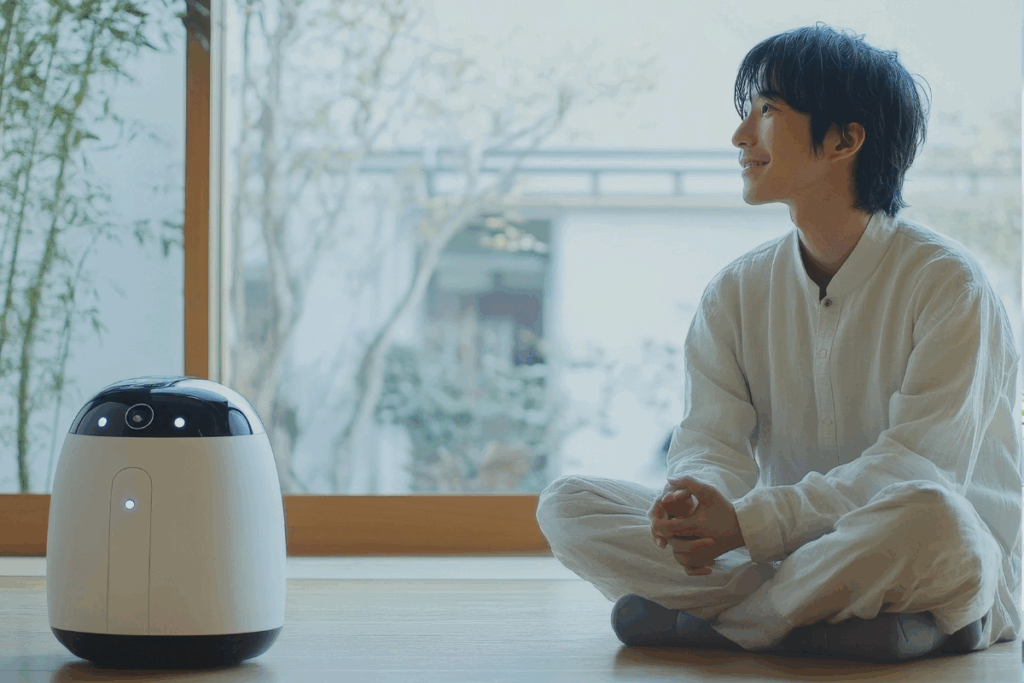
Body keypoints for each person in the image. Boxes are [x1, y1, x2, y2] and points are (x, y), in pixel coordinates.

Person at [535, 23, 1021, 662]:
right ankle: (835, 620)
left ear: (845, 139)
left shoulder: (947, 283)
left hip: (929, 554)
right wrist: (692, 500)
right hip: (782, 552)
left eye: (768, 111)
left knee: (931, 515)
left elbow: (916, 467)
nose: (741, 136)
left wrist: (748, 524)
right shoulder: (736, 291)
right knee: (569, 504)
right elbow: (711, 443)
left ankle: (736, 625)